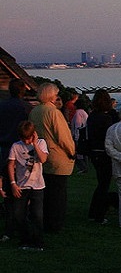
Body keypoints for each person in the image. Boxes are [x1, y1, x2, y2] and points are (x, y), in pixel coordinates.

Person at [28, 83, 75, 234]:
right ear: (50, 96)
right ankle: (55, 224)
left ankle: (45, 220)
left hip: (41, 154)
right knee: (58, 194)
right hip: (57, 155)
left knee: (46, 192)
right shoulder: (53, 112)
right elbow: (63, 136)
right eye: (55, 95)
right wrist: (71, 151)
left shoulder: (34, 111)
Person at [0, 79, 33, 240]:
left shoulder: (2, 106)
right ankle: (22, 224)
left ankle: (9, 227)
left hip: (4, 149)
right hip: (22, 150)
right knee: (24, 189)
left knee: (8, 189)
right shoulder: (25, 108)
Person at [7, 120, 47, 250]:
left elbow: (43, 159)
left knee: (37, 214)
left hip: (37, 185)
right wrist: (13, 183)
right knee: (18, 214)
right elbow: (11, 164)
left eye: (29, 139)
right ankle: (25, 239)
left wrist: (34, 144)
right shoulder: (16, 146)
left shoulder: (41, 143)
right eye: (24, 139)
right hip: (21, 185)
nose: (26, 142)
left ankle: (38, 241)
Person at [84, 90, 120, 225]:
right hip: (104, 153)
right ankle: (98, 213)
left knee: (102, 183)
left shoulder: (92, 116)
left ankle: (94, 212)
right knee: (103, 184)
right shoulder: (107, 118)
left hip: (94, 152)